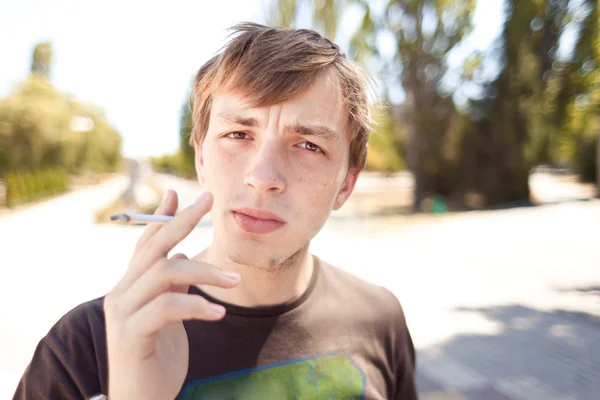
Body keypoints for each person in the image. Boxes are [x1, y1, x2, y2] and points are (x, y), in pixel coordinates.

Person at [13, 22, 417, 400]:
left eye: (309, 145)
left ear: (346, 182)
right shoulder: (84, 349)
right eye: (238, 134)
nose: (263, 176)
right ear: (201, 159)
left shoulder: (381, 320)